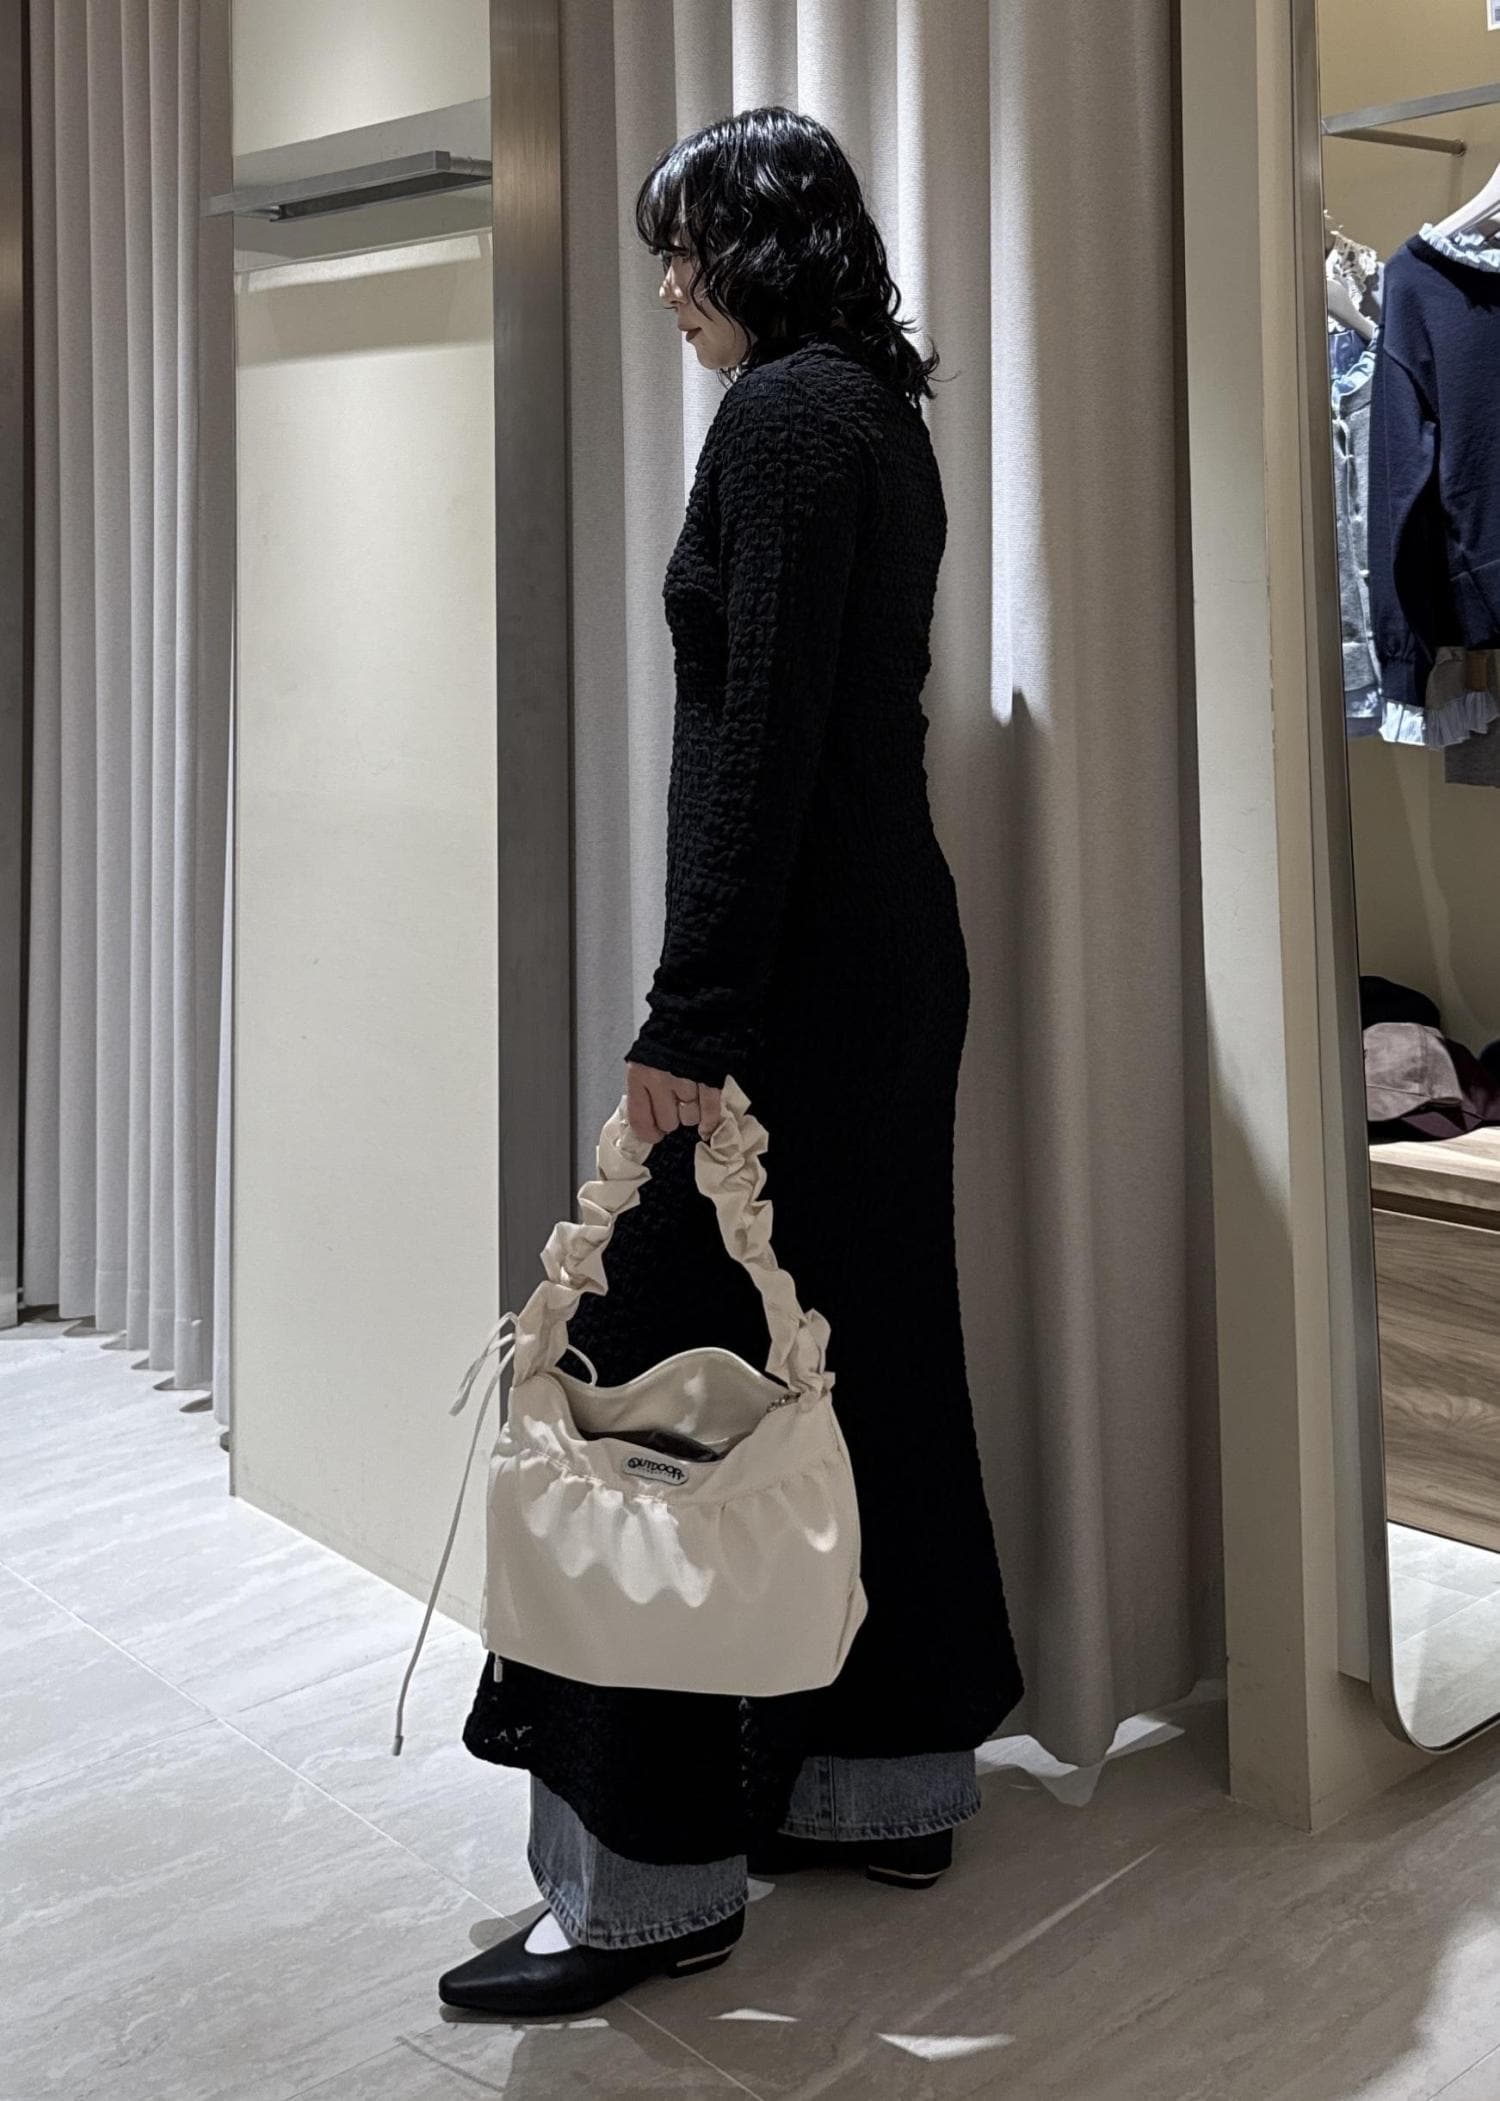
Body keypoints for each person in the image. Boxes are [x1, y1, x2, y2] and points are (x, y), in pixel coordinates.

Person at [438, 103, 1022, 2020]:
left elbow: (757, 743)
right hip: (885, 960)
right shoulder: (883, 416)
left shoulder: (778, 419)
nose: (668, 285)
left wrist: (688, 1023)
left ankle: (644, 1887)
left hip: (789, 985)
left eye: (686, 248)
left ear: (761, 246)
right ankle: (884, 1779)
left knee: (642, 1389)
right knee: (864, 1348)